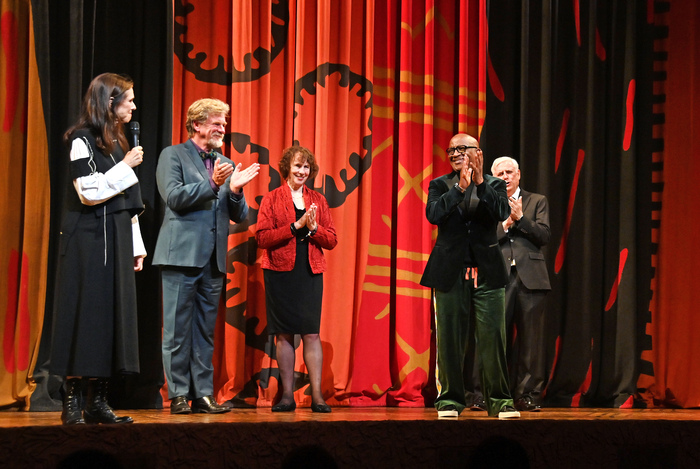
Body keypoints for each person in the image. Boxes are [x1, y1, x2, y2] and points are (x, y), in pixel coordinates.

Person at [50, 73, 146, 425]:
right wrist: (126, 166)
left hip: (117, 240)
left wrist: (136, 247)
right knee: (85, 314)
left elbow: (128, 204)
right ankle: (72, 400)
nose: (134, 106)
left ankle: (98, 401)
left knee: (111, 317)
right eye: (129, 99)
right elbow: (88, 191)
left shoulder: (118, 143)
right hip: (88, 242)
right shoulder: (81, 140)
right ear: (109, 102)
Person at [153, 98, 260, 414]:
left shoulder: (224, 161)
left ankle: (203, 394)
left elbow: (236, 214)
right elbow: (173, 197)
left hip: (213, 260)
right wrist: (214, 184)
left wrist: (236, 190)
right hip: (180, 256)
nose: (222, 128)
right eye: (217, 122)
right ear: (197, 124)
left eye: (224, 123)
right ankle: (178, 395)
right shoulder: (173, 155)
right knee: (176, 330)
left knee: (203, 331)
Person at [420, 133, 519, 419]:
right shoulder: (440, 185)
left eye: (461, 149)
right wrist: (459, 189)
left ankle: (500, 401)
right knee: (449, 340)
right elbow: (434, 215)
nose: (454, 154)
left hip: (487, 272)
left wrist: (477, 183)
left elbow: (501, 211)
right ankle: (450, 401)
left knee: (492, 339)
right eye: (451, 150)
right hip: (450, 271)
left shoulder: (495, 184)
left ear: (478, 153)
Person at [255, 146, 337, 413]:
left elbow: (332, 239)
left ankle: (317, 397)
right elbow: (262, 237)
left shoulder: (318, 200)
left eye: (306, 167)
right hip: (279, 272)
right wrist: (294, 227)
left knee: (312, 333)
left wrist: (313, 229)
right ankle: (287, 396)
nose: (302, 172)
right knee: (284, 335)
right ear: (286, 168)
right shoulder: (271, 198)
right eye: (298, 166)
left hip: (309, 270)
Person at [492, 156, 551, 412]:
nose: (505, 176)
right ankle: (496, 394)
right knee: (497, 339)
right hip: (499, 277)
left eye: (509, 172)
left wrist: (522, 219)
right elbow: (484, 239)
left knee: (531, 341)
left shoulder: (537, 201)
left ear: (518, 174)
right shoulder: (489, 202)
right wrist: (506, 223)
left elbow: (544, 235)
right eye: (500, 173)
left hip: (531, 278)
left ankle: (528, 395)